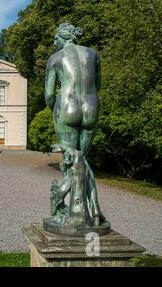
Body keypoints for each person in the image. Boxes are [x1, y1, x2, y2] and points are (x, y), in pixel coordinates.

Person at [44, 22, 105, 225]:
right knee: (82, 159)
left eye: (56, 39)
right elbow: (99, 84)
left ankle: (69, 208)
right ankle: (95, 211)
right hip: (90, 106)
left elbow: (49, 94)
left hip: (67, 106)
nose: (54, 42)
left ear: (63, 37)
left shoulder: (56, 58)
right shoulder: (93, 54)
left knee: (71, 161)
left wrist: (56, 110)